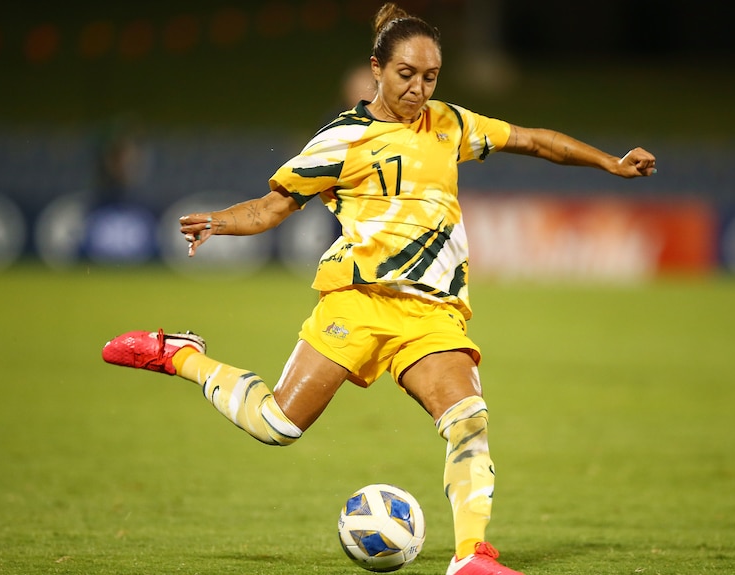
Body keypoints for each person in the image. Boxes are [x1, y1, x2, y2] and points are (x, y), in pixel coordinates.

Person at [102, 4, 656, 574]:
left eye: (430, 77)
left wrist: (610, 163)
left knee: (468, 419)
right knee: (277, 425)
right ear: (377, 69)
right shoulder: (342, 139)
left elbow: (534, 141)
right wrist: (218, 220)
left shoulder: (449, 123)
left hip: (433, 313)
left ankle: (472, 557)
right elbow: (272, 207)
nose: (419, 89)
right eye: (406, 75)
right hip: (358, 302)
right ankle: (183, 356)